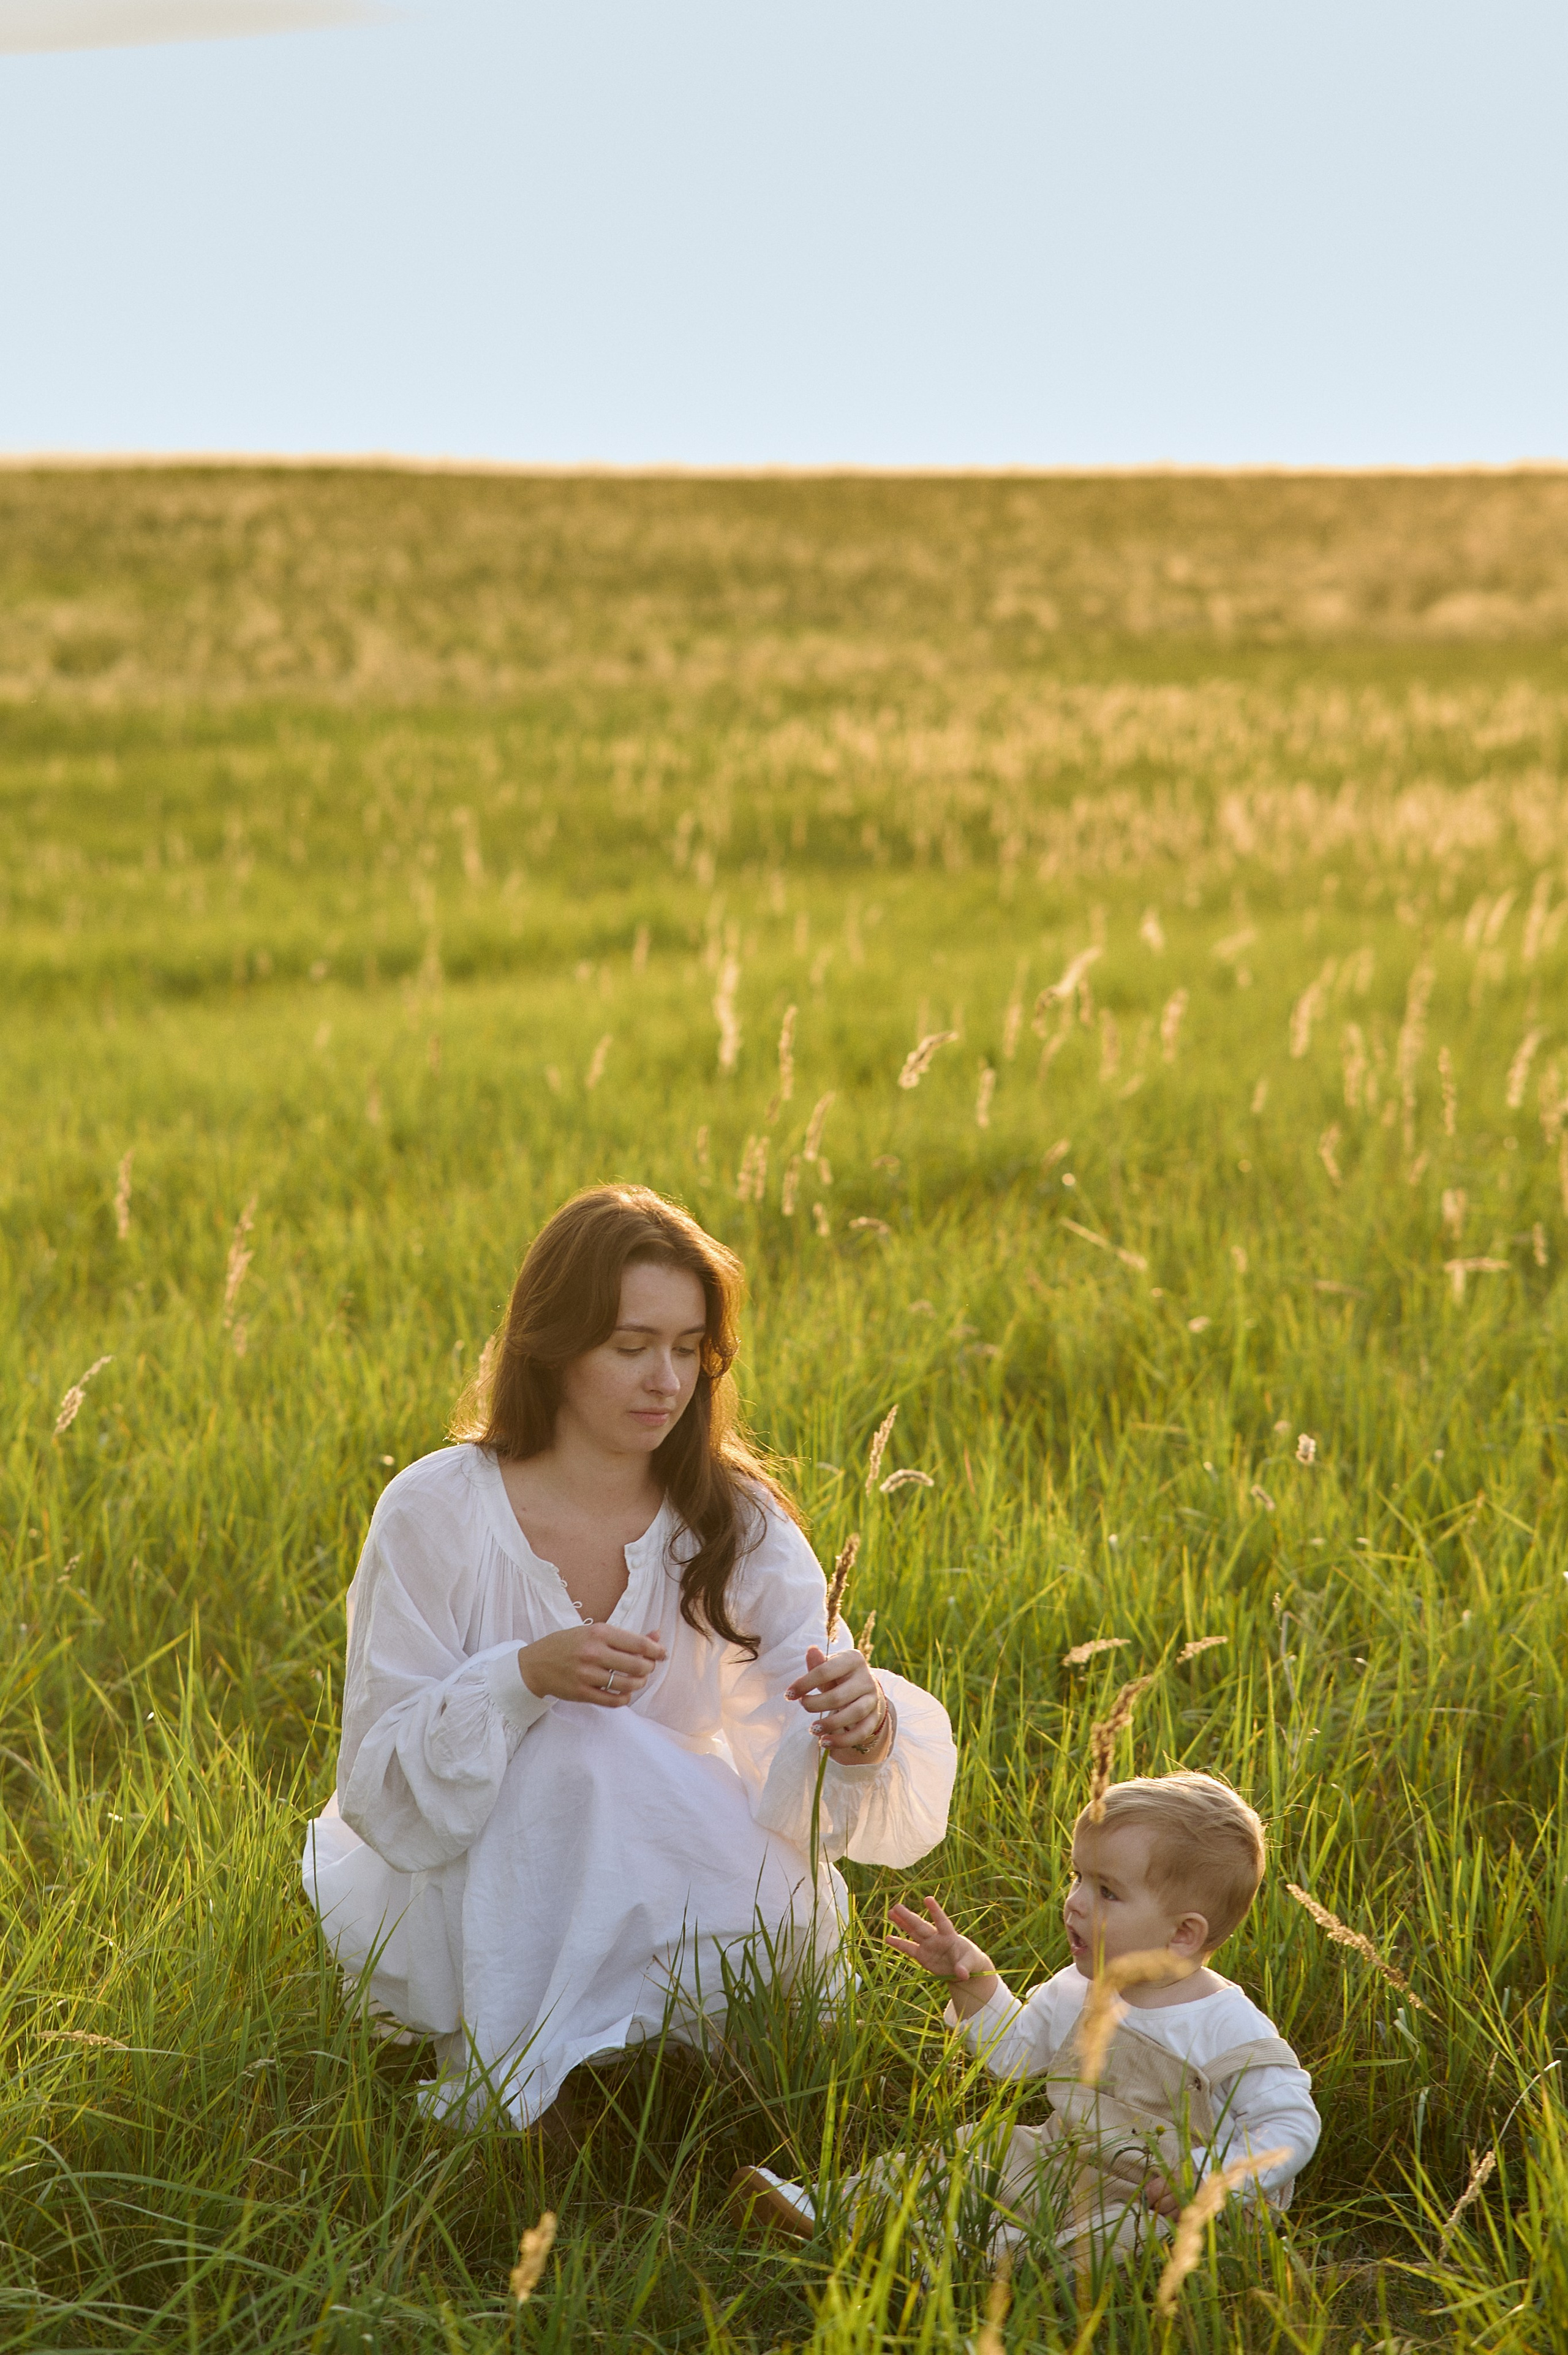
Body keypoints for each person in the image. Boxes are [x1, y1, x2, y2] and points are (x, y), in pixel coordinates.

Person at [301, 1184, 957, 2128]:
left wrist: (863, 1729)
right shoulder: (435, 1509)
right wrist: (522, 1677)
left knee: (616, 1769)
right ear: (553, 1344)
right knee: (572, 1749)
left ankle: (698, 2077)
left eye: (689, 1349)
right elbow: (379, 1776)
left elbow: (793, 1738)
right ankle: (530, 2087)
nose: (667, 1380)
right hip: (478, 1864)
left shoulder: (737, 1517)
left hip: (669, 1843)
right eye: (630, 1346)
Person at [733, 1771, 1319, 2254]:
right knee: (973, 2152)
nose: (1075, 1903)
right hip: (1067, 2160)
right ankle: (836, 2205)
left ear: (1183, 1935)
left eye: (1107, 1891)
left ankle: (971, 2257)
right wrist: (972, 1978)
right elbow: (1014, 2056)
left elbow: (1291, 2128)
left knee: (1118, 2244)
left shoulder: (1226, 2027)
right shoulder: (1076, 1988)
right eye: (1077, 1877)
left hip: (1168, 2201)